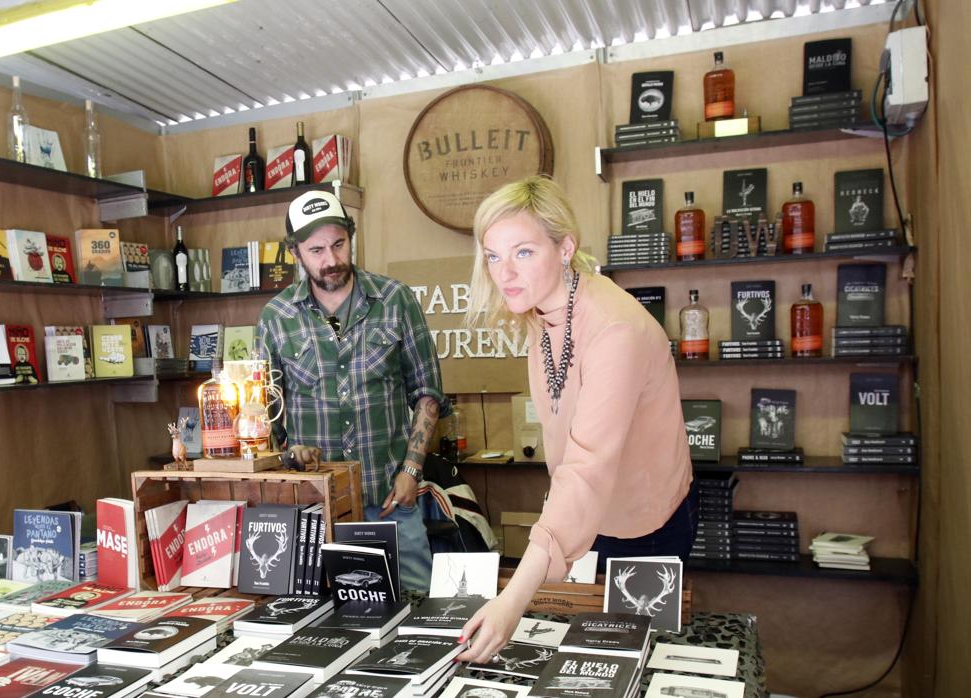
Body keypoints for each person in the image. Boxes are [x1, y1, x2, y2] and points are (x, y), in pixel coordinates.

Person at [456, 176, 695, 662]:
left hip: (646, 525)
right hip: (587, 520)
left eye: (522, 252)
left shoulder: (614, 331)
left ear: (565, 248)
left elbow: (586, 467)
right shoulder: (541, 315)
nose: (504, 272)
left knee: (630, 664)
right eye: (493, 255)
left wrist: (512, 601)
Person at [257, 190, 450, 592]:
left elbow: (428, 393)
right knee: (319, 621)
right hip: (315, 509)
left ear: (351, 236)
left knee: (422, 612)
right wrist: (289, 456)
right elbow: (265, 416)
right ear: (295, 253)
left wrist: (412, 471)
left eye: (339, 244)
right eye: (316, 250)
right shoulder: (276, 319)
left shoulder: (395, 300)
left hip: (391, 501)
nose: (330, 260)